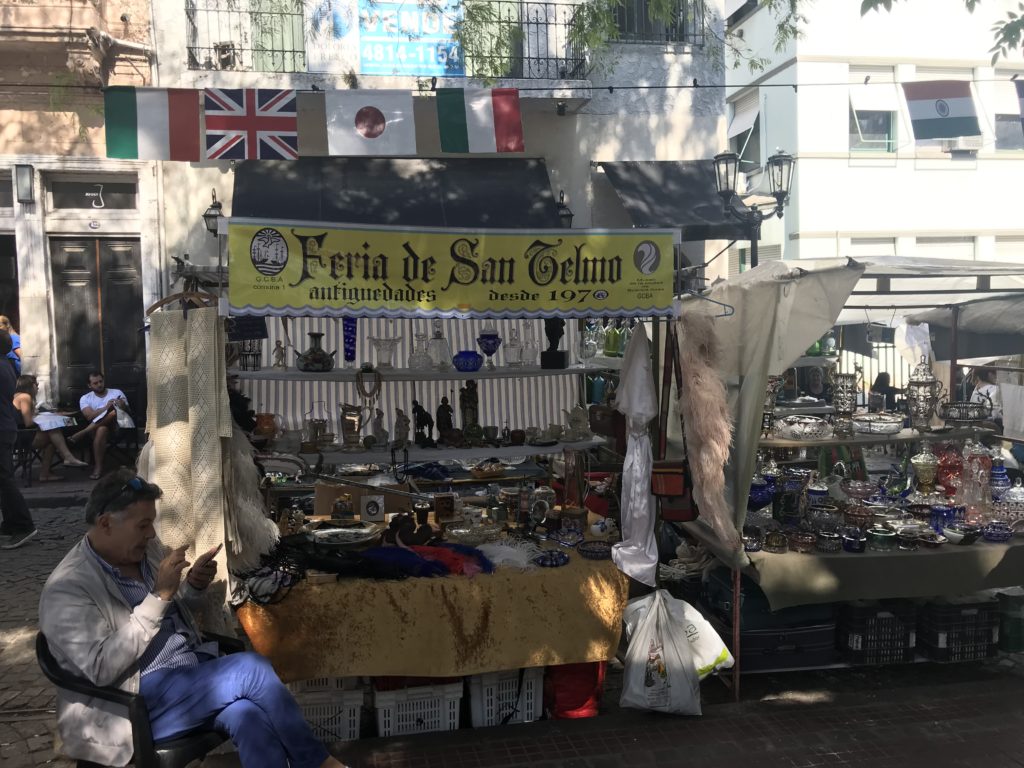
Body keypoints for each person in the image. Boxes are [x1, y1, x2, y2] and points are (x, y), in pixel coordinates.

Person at [38, 469, 350, 768]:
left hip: (186, 678)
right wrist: (159, 596)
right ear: (106, 523)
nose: (151, 535)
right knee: (251, 669)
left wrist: (191, 586)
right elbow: (101, 668)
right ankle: (317, 762)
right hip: (133, 703)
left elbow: (168, 613)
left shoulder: (142, 553)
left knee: (249, 716)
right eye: (143, 526)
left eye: (152, 525)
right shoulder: (69, 588)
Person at [13, 374, 89, 481]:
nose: (38, 387)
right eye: (36, 384)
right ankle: (67, 457)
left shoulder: (17, 395)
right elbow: (28, 423)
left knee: (52, 440)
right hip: (22, 438)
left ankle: (45, 474)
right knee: (53, 429)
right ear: (30, 385)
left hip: (18, 436)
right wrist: (46, 422)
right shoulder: (25, 397)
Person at [0, 331, 36, 548]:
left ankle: (23, 525)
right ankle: (12, 523)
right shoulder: (6, 365)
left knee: (4, 479)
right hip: (6, 427)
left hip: (1, 429)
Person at [72, 370, 128, 479]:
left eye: (101, 381)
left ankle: (83, 432)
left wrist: (120, 404)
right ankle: (98, 467)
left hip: (117, 427)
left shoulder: (117, 393)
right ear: (89, 385)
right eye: (95, 383)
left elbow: (124, 410)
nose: (99, 385)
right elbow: (89, 416)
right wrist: (106, 407)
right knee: (102, 429)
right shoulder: (85, 398)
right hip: (95, 429)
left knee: (113, 413)